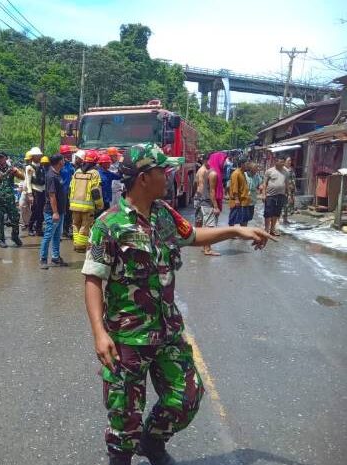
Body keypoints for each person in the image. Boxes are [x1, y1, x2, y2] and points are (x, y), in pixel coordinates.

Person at [82, 143, 272, 465]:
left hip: (167, 331)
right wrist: (99, 332)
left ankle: (152, 442)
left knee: (187, 397)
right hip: (128, 339)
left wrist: (236, 230)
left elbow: (193, 235)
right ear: (144, 178)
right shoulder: (108, 225)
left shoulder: (164, 214)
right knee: (123, 417)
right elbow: (93, 279)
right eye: (162, 171)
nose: (168, 176)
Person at [69, 149, 103, 252]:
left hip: (74, 205)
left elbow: (70, 188)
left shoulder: (77, 172)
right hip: (87, 207)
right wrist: (100, 205)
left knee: (76, 224)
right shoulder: (94, 173)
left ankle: (76, 244)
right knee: (85, 225)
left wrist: (70, 202)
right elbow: (95, 191)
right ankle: (81, 247)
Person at [39, 154, 68, 269]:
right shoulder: (51, 176)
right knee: (48, 235)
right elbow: (52, 196)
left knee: (57, 235)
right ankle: (43, 259)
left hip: (60, 211)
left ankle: (55, 258)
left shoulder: (57, 174)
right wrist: (55, 212)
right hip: (52, 211)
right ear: (59, 162)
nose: (64, 161)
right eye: (63, 160)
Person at [0, 152, 24, 248]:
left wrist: (16, 172)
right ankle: (1, 239)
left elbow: (23, 177)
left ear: (6, 158)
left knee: (15, 218)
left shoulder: (11, 169)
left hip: (10, 199)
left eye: (2, 158)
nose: (0, 159)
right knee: (0, 219)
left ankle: (15, 236)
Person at [263, 153, 289, 236]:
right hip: (270, 195)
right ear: (276, 162)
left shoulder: (286, 172)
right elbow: (264, 184)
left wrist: (288, 195)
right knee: (268, 213)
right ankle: (266, 229)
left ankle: (272, 229)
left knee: (276, 213)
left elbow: (286, 183)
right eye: (280, 162)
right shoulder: (269, 171)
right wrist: (264, 194)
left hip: (281, 195)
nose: (282, 164)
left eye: (283, 162)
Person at [25, 146, 46, 236]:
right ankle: (30, 227)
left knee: (41, 211)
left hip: (42, 190)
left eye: (39, 155)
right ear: (33, 156)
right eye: (37, 155)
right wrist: (30, 194)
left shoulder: (42, 166)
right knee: (35, 211)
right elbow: (28, 181)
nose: (39, 157)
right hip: (35, 190)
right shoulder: (29, 167)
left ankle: (39, 228)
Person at [228, 156, 251, 227]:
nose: (248, 166)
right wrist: (236, 199)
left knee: (244, 219)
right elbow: (235, 188)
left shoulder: (243, 173)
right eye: (247, 164)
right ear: (242, 164)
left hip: (244, 201)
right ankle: (231, 234)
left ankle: (243, 234)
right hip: (238, 201)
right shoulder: (236, 173)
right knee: (233, 219)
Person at [59, 145, 76, 238]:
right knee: (62, 211)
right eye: (66, 153)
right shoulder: (59, 165)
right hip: (61, 192)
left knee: (69, 211)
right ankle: (60, 231)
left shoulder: (70, 165)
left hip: (70, 191)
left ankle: (66, 229)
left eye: (69, 153)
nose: (68, 155)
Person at [282, 156, 296, 225]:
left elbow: (293, 179)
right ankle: (281, 220)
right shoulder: (283, 170)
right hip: (285, 190)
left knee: (288, 205)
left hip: (291, 189)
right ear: (284, 162)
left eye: (290, 160)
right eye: (288, 161)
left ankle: (286, 219)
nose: (290, 162)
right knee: (284, 205)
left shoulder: (291, 169)